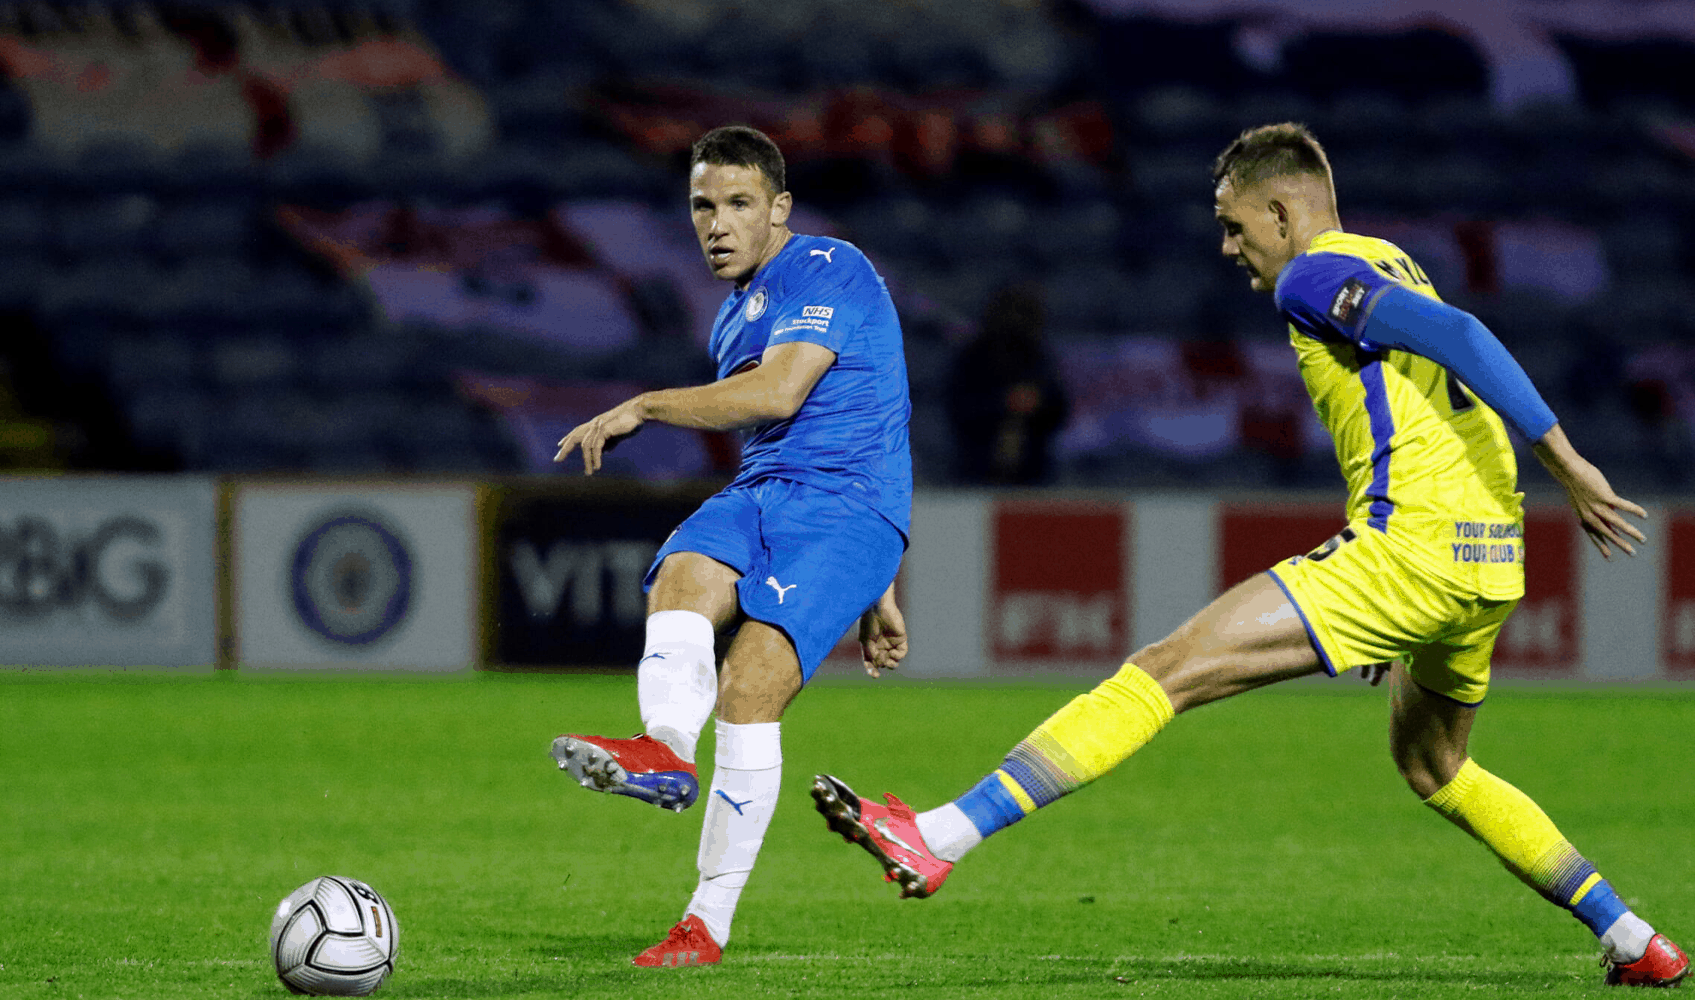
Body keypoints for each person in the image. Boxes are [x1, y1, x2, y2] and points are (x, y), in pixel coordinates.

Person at [810, 122, 1688, 988]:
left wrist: (1565, 461)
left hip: (1412, 549)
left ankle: (940, 836)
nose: (1227, 247)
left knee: (1165, 670)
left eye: (1233, 226)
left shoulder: (1311, 275)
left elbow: (1460, 338)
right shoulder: (1385, 257)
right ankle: (1630, 936)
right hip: (1486, 556)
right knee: (1434, 765)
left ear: (1279, 210)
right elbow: (1428, 396)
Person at [551, 124, 912, 968]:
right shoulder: (731, 316)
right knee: (680, 572)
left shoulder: (828, 267)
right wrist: (881, 595)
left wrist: (644, 405)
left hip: (845, 509)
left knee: (748, 690)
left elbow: (782, 393)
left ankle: (703, 924)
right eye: (702, 205)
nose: (717, 223)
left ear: (778, 208)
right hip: (764, 493)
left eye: (739, 204)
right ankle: (666, 755)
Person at [947, 282, 1070, 485]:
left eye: (1023, 313)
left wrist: (1037, 402)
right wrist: (1004, 403)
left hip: (1033, 469)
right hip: (976, 467)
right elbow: (959, 409)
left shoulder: (1038, 357)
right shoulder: (972, 357)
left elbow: (1059, 409)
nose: (1015, 321)